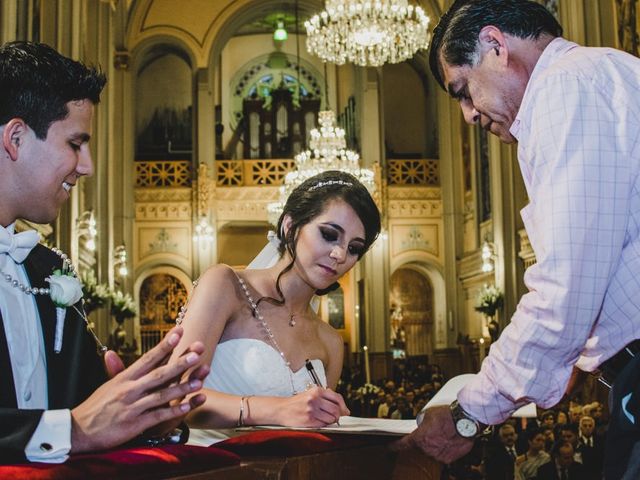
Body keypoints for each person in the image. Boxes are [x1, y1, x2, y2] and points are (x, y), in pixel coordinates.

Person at [395, 1, 640, 478]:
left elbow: (566, 285)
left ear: (495, 45)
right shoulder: (609, 70)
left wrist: (469, 415)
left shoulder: (564, 87)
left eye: (463, 91)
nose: (467, 115)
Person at [0, 41, 209, 464]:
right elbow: (78, 425)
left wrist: (147, 416)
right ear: (16, 137)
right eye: (76, 143)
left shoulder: (50, 269)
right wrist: (70, 431)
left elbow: (89, 407)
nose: (87, 166)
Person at [170, 170, 381, 434]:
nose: (339, 254)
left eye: (354, 248)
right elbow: (175, 397)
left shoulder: (331, 342)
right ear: (289, 226)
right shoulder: (225, 286)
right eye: (329, 234)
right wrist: (279, 410)